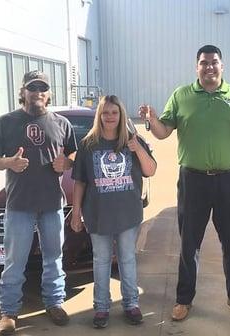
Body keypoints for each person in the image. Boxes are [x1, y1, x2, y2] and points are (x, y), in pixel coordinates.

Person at [139, 44, 230, 321]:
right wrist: (152, 120)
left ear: (222, 66)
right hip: (193, 181)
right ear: (197, 67)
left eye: (214, 62)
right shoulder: (182, 95)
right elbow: (163, 132)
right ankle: (183, 300)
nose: (209, 67)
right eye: (204, 62)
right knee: (189, 244)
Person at [0, 70, 77, 336]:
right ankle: (9, 311)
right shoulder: (6, 122)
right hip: (19, 204)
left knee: (54, 258)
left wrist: (67, 163)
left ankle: (54, 302)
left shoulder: (61, 123)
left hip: (51, 204)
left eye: (43, 88)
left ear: (49, 94)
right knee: (14, 260)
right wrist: (8, 163)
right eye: (32, 87)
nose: (38, 92)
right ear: (23, 91)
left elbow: (72, 153)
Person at [70, 95, 156, 329]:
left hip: (128, 214)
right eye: (105, 112)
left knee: (127, 259)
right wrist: (76, 212)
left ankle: (131, 304)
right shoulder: (88, 145)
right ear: (99, 115)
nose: (110, 117)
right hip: (98, 214)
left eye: (114, 112)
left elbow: (150, 170)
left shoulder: (133, 140)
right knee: (101, 261)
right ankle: (101, 307)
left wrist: (137, 148)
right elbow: (79, 182)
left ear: (121, 115)